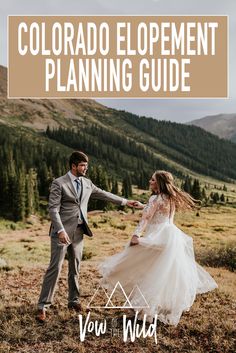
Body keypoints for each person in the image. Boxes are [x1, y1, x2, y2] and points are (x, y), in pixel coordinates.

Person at [99, 170, 218, 326]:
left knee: (142, 269)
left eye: (153, 180)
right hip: (170, 238)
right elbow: (157, 212)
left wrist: (136, 235)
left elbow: (147, 218)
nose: (150, 181)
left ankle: (144, 311)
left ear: (160, 182)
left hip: (155, 237)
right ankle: (152, 309)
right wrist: (144, 205)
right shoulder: (170, 198)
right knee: (160, 275)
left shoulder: (155, 198)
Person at [37, 151, 141, 322]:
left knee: (75, 268)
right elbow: (53, 209)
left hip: (79, 232)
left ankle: (74, 301)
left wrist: (125, 202)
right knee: (55, 268)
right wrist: (60, 230)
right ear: (73, 166)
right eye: (83, 165)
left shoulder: (87, 183)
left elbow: (104, 194)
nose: (86, 169)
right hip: (61, 233)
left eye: (86, 165)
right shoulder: (59, 183)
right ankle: (43, 306)